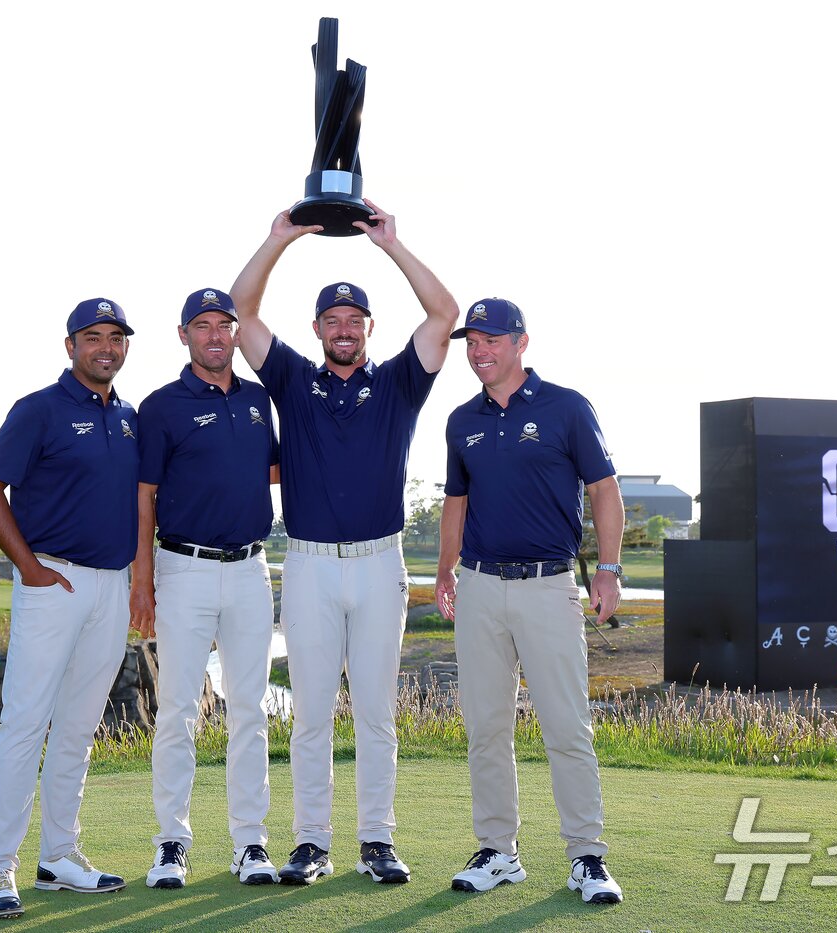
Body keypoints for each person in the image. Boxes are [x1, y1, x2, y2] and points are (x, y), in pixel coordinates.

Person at [228, 200, 458, 885]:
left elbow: (445, 315)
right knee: (311, 713)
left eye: (354, 320)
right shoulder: (295, 381)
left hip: (379, 562)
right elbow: (241, 314)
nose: (344, 329)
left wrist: (393, 244)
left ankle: (377, 839)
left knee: (378, 712)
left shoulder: (398, 384)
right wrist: (278, 241)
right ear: (319, 330)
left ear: (367, 329)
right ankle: (311, 841)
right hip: (309, 566)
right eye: (332, 320)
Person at [434, 298, 626, 905]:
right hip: (481, 586)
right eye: (472, 341)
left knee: (567, 727)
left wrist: (609, 570)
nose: (479, 350)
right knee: (486, 729)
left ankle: (587, 857)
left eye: (491, 339)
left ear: (521, 342)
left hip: (548, 585)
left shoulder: (566, 407)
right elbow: (456, 503)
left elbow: (604, 488)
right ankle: (498, 851)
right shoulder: (461, 420)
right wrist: (445, 572)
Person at [0, 298, 140, 919]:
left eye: (115, 337)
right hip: (53, 583)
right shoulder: (38, 409)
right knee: (25, 725)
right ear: (70, 346)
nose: (105, 347)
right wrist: (29, 567)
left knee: (77, 728)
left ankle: (59, 857)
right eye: (92, 337)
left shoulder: (128, 418)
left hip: (110, 586)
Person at [129, 287, 281, 889]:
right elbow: (145, 497)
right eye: (203, 326)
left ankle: (250, 842)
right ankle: (172, 843)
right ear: (184, 335)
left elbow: (270, 469)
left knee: (251, 710)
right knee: (178, 710)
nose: (216, 336)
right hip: (182, 568)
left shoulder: (260, 400)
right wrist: (143, 583)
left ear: (238, 333)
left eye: (225, 325)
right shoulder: (160, 407)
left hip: (249, 569)